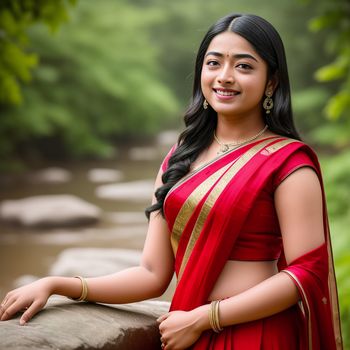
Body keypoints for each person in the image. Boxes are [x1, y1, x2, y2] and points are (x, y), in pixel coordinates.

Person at [0, 13, 343, 350]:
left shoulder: (288, 163)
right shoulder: (180, 156)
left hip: (256, 334)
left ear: (272, 82)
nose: (225, 77)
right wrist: (58, 285)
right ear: (200, 72)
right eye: (213, 63)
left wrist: (207, 318)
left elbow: (306, 273)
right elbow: (151, 274)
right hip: (186, 330)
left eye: (244, 66)